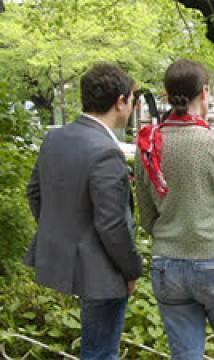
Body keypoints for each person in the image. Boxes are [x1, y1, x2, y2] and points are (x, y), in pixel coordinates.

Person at [135, 59, 214, 360]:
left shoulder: (148, 145)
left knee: (185, 355)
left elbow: (146, 216)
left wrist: (171, 236)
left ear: (166, 93)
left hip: (169, 265)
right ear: (204, 91)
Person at [25, 63, 143, 359]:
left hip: (74, 261)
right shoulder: (106, 151)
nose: (131, 108)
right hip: (104, 270)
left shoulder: (55, 138)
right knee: (101, 352)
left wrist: (64, 236)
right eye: (131, 100)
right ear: (120, 101)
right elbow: (111, 224)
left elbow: (35, 193)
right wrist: (132, 270)